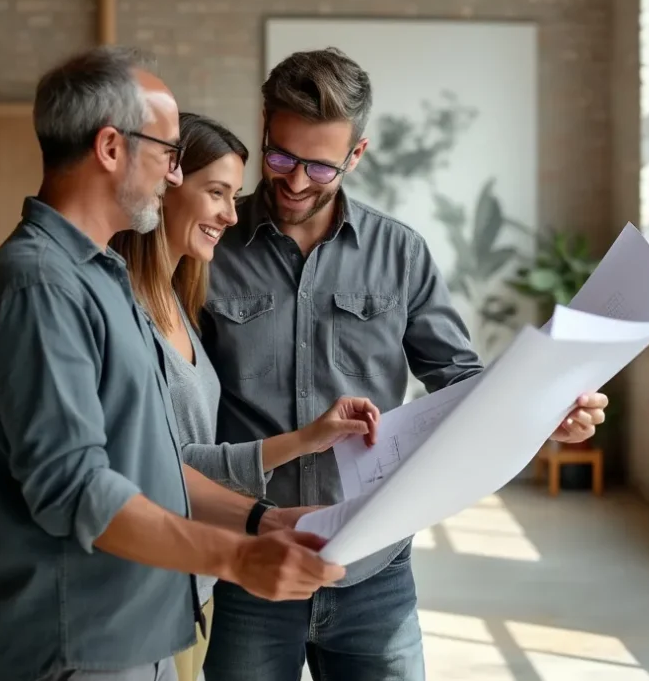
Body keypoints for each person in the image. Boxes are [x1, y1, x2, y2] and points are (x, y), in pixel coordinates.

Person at [199, 47, 609, 681]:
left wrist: (542, 414)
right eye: (281, 156)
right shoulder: (209, 248)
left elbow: (459, 380)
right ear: (262, 127)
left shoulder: (400, 254)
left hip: (374, 570)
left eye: (320, 165)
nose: (296, 181)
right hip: (253, 558)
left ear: (356, 156)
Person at [0, 46, 347, 681]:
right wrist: (240, 559)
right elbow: (79, 491)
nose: (173, 177)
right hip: (80, 648)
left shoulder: (103, 277)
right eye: (168, 154)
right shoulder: (40, 288)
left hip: (137, 638)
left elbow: (152, 465)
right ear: (111, 148)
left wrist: (263, 521)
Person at [110, 111, 381, 681]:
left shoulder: (180, 300)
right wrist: (266, 515)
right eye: (217, 193)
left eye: (234, 195)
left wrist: (309, 440)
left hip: (192, 585)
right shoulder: (122, 308)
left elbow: (181, 458)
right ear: (169, 181)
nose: (232, 215)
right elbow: (157, 464)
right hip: (157, 575)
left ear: (354, 156)